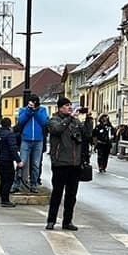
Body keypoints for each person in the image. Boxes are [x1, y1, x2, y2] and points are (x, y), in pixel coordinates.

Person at [45, 97, 93, 231]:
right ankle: (51, 220)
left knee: (71, 195)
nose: (70, 108)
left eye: (70, 105)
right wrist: (69, 118)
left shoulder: (75, 122)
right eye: (67, 106)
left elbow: (87, 135)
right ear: (60, 108)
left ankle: (67, 221)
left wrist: (89, 119)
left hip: (74, 163)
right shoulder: (54, 120)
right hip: (60, 162)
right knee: (57, 193)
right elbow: (57, 130)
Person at [13, 93, 49, 193]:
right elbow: (20, 121)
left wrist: (36, 111)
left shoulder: (42, 110)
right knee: (22, 162)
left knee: (36, 164)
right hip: (26, 139)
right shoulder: (23, 110)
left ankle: (34, 184)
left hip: (38, 140)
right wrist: (29, 111)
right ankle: (16, 183)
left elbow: (43, 122)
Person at [0, 117, 22, 208]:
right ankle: (5, 200)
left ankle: (3, 198)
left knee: (3, 179)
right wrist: (18, 160)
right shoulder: (10, 135)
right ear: (10, 125)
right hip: (7, 160)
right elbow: (13, 148)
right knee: (9, 179)